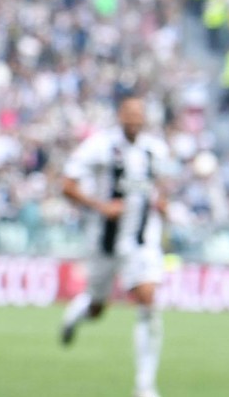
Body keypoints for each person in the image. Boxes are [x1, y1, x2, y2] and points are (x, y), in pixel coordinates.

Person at [58, 95, 171, 397]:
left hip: (142, 241)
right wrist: (100, 206)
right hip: (104, 241)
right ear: (120, 116)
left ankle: (145, 386)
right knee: (98, 308)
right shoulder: (99, 146)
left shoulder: (155, 149)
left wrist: (161, 204)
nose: (135, 120)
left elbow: (158, 185)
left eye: (139, 115)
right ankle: (77, 313)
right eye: (129, 115)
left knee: (148, 299)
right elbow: (67, 185)